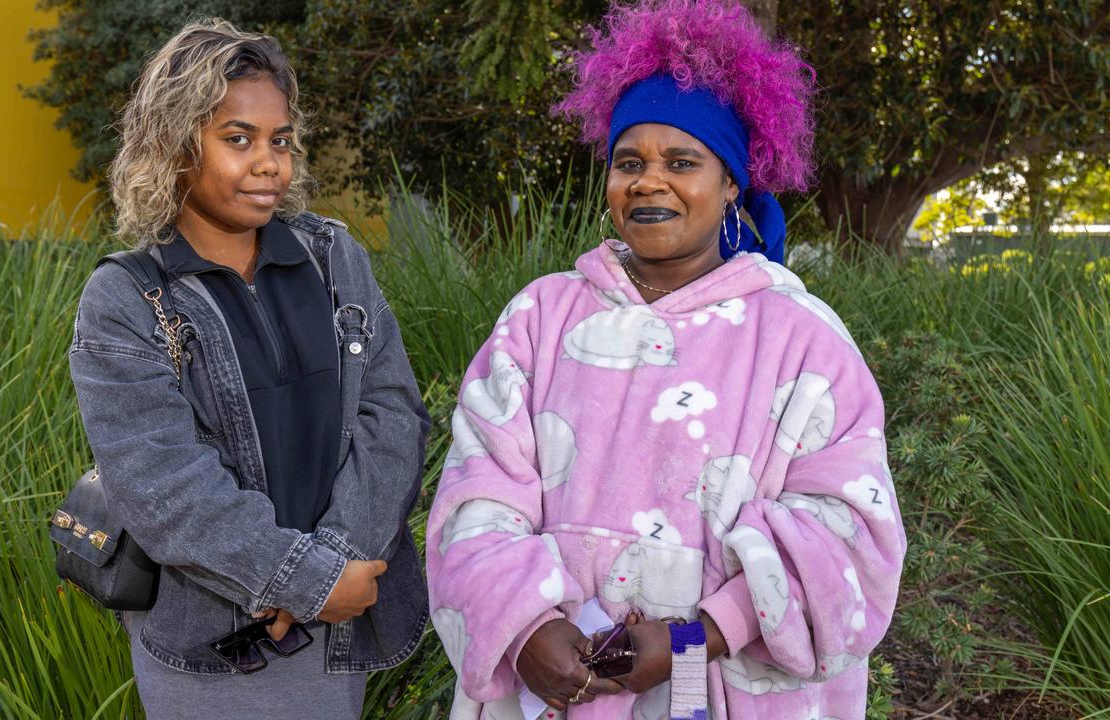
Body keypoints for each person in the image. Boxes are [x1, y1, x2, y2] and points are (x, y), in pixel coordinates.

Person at [425, 1, 906, 718]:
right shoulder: (541, 318)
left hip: (722, 686)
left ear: (733, 182)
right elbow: (477, 491)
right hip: (558, 690)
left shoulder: (801, 338)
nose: (649, 182)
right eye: (629, 162)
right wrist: (524, 625)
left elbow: (851, 532)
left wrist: (705, 632)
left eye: (683, 162)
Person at [68, 19, 429, 719]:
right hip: (211, 647)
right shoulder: (126, 297)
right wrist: (305, 579)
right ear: (173, 146)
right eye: (238, 139)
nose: (270, 163)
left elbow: (392, 414)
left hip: (335, 629)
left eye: (280, 141)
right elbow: (164, 487)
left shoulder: (331, 258)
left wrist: (332, 572)